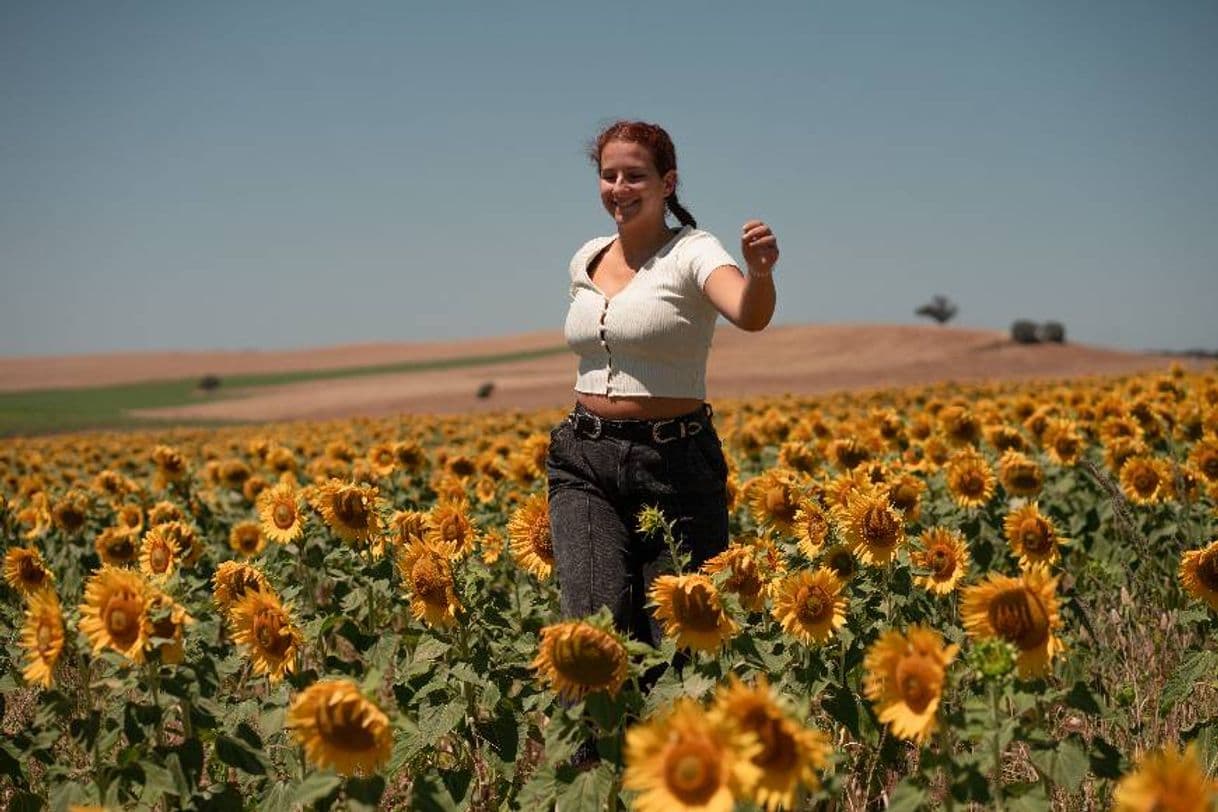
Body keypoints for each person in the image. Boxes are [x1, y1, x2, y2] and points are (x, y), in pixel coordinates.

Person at [546, 119, 778, 664]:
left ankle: (660, 749)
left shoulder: (694, 251)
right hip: (584, 458)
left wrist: (761, 274)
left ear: (667, 183)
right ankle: (592, 752)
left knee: (675, 645)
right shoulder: (586, 257)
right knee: (587, 640)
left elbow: (748, 313)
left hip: (673, 460)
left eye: (635, 176)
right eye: (609, 176)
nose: (619, 189)